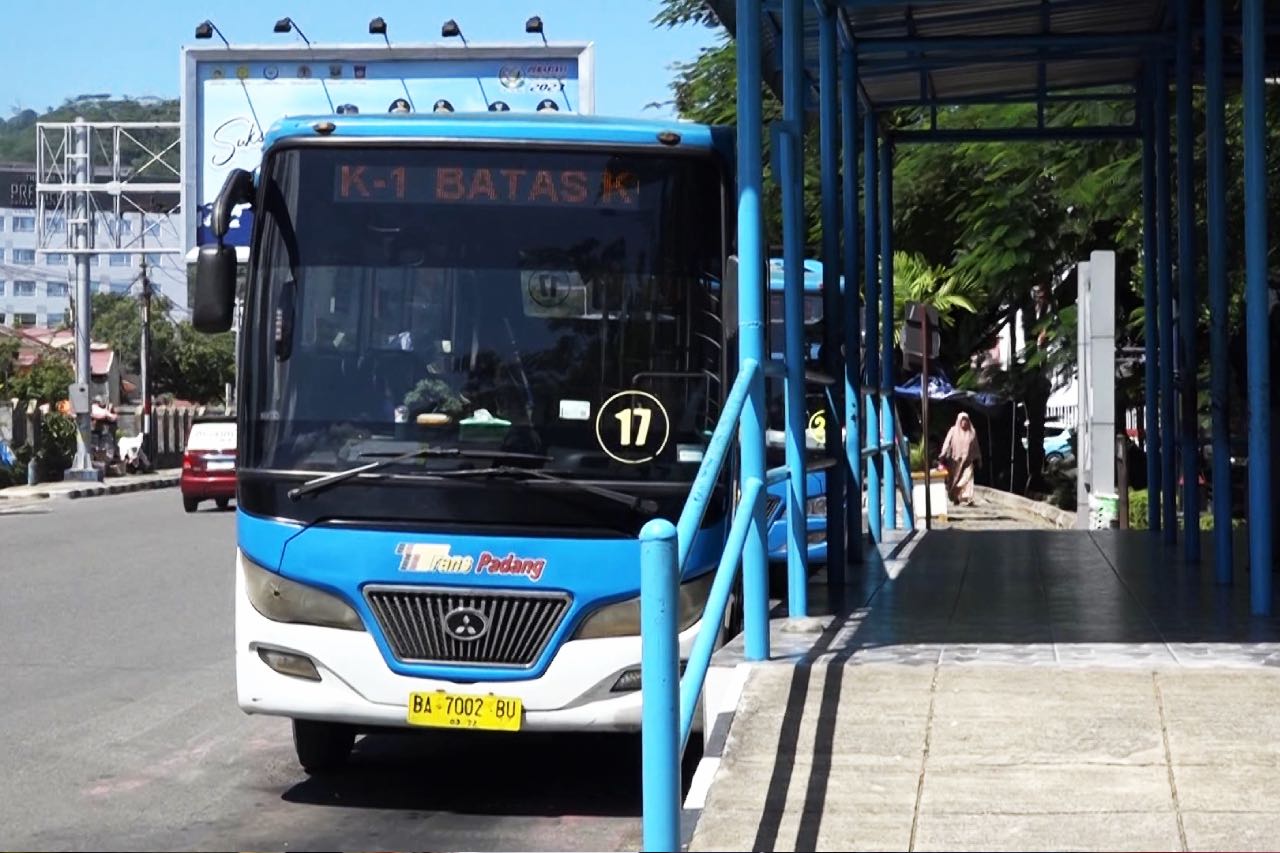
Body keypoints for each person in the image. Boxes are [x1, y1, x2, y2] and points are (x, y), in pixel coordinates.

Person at [940, 412, 982, 506]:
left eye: (966, 420)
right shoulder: (953, 431)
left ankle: (968, 497)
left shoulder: (972, 432)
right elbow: (947, 442)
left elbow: (976, 446)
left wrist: (979, 458)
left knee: (968, 478)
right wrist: (943, 454)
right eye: (962, 420)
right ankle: (955, 496)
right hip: (955, 461)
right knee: (955, 480)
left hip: (968, 461)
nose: (964, 422)